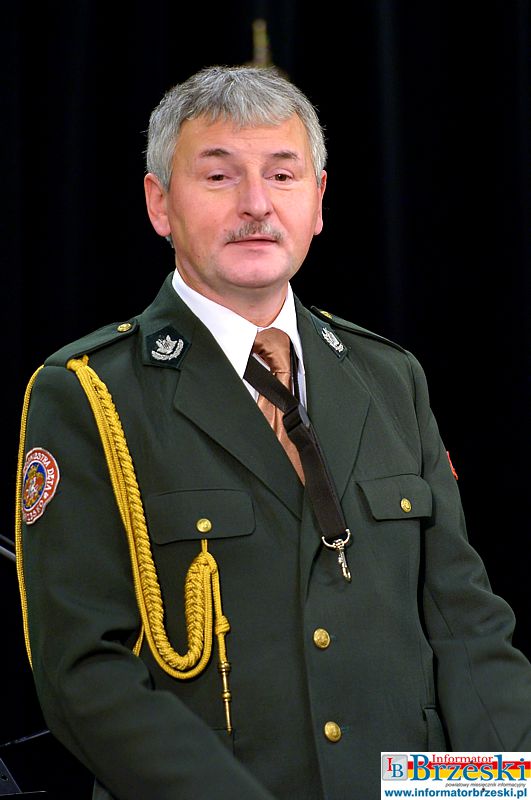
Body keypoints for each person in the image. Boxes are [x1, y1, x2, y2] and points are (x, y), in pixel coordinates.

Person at [15, 64, 531, 800]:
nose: (256, 204)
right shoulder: (89, 394)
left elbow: (466, 626)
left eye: (282, 175)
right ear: (159, 203)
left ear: (317, 200)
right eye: (219, 176)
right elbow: (84, 675)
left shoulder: (390, 376)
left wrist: (495, 790)